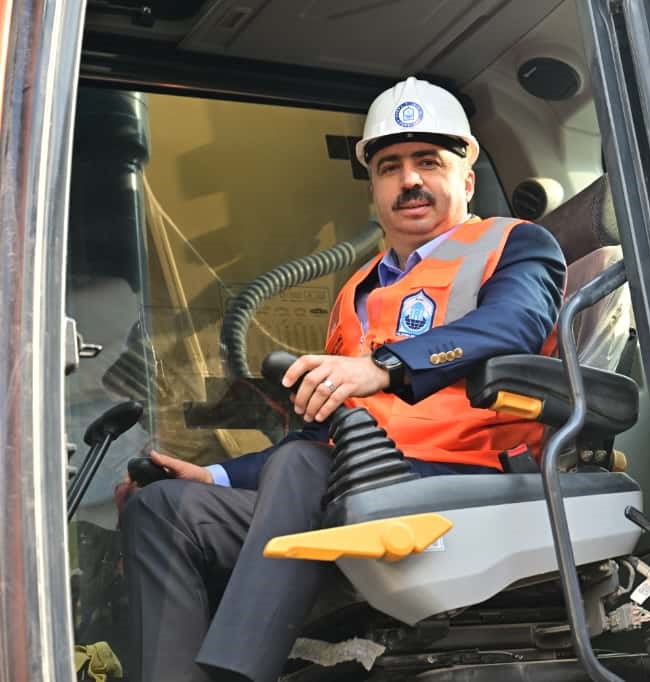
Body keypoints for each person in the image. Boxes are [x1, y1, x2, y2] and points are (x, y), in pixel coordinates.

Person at [119, 76, 566, 682]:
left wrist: (383, 367)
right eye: (389, 167)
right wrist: (217, 476)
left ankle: (239, 673)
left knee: (304, 466)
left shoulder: (514, 244)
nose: (409, 180)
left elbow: (515, 325)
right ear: (374, 191)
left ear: (466, 179)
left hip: (465, 482)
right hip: (352, 484)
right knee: (165, 508)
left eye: (428, 162)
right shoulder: (355, 291)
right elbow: (321, 434)